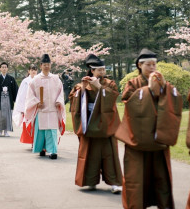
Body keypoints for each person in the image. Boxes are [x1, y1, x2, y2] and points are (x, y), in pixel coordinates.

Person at [115, 48, 183, 209]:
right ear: (140, 65)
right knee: (136, 177)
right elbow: (128, 101)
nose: (152, 68)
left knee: (161, 177)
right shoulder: (133, 83)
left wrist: (164, 88)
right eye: (148, 64)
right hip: (137, 139)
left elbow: (176, 99)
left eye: (154, 64)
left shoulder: (163, 82)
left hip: (158, 138)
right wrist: (148, 91)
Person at [69, 54, 122, 194]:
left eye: (103, 69)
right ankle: (90, 181)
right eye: (99, 70)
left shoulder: (109, 84)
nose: (102, 72)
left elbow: (113, 97)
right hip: (89, 123)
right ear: (92, 70)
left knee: (109, 154)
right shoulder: (82, 84)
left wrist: (99, 87)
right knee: (90, 154)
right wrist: (82, 89)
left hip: (105, 124)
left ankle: (115, 183)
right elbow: (74, 102)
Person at [24, 54, 66, 160]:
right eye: (44, 64)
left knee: (52, 131)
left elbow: (61, 92)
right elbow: (30, 94)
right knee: (41, 130)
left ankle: (52, 151)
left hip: (52, 109)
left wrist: (59, 101)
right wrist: (36, 102)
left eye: (48, 64)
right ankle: (41, 149)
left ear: (50, 66)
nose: (46, 66)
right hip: (41, 110)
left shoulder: (56, 79)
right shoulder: (35, 80)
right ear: (40, 65)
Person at [0, 62, 18, 137]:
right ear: (0, 69)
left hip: (8, 98)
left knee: (8, 115)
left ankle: (6, 131)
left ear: (7, 68)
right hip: (0, 99)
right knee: (0, 115)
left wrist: (16, 99)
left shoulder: (11, 79)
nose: (4, 68)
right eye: (3, 67)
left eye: (5, 67)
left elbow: (15, 90)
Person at [12, 64, 38, 144]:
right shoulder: (25, 81)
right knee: (29, 124)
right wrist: (22, 108)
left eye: (35, 70)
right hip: (27, 106)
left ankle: (36, 142)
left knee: (36, 125)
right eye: (32, 70)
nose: (33, 71)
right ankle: (31, 141)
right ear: (29, 71)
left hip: (37, 106)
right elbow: (21, 95)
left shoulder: (39, 80)